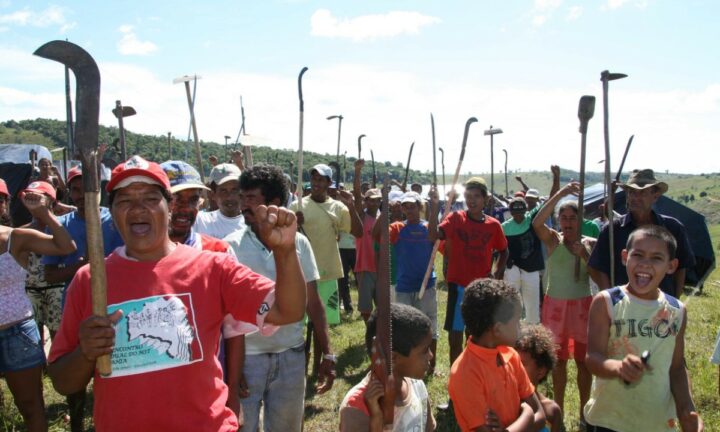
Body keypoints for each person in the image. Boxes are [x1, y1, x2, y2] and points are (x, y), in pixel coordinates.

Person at [47, 156, 307, 432]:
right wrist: (86, 352)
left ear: (168, 207)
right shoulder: (89, 280)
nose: (138, 209)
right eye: (125, 201)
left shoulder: (212, 267)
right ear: (112, 214)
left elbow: (287, 311)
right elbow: (63, 382)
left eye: (150, 199)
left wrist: (285, 251)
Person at [224, 164, 335, 431]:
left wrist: (328, 353)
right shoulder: (230, 246)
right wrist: (233, 368)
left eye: (250, 199)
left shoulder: (298, 243)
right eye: (242, 197)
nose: (243, 205)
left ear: (273, 203)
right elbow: (228, 316)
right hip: (248, 361)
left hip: (291, 357)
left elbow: (314, 302)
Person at [584, 226, 703, 432]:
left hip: (656, 422)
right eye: (638, 255)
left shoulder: (677, 310)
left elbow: (676, 368)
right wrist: (618, 368)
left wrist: (686, 409)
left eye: (657, 258)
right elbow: (592, 358)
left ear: (671, 266)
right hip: (608, 419)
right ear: (624, 257)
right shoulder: (607, 302)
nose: (645, 264)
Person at [41, 165, 124, 432]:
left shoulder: (114, 220)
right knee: (74, 372)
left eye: (84, 188)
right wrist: (80, 268)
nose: (79, 194)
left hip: (118, 312)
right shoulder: (62, 226)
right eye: (74, 189)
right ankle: (76, 422)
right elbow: (50, 273)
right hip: (75, 311)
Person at [0, 178, 76, 432]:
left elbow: (66, 246)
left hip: (17, 334)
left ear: (5, 204)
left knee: (31, 406)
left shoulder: (16, 238)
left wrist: (44, 213)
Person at [532, 182, 595, 426]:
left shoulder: (589, 243)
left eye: (572, 217)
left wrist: (584, 255)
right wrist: (561, 194)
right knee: (558, 363)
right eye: (564, 217)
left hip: (582, 308)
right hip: (555, 309)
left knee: (583, 362)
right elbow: (537, 222)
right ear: (559, 220)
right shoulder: (553, 241)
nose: (568, 222)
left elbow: (596, 273)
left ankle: (583, 414)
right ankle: (557, 413)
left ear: (580, 220)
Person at [448, 278, 544, 431]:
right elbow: (532, 412)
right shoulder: (465, 373)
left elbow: (540, 414)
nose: (520, 326)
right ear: (498, 329)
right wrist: (526, 415)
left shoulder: (511, 355)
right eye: (517, 320)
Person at [435, 177, 508, 372]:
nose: (472, 200)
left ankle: (475, 377)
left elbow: (504, 251)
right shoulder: (456, 218)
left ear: (485, 199)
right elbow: (437, 234)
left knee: (476, 335)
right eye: (468, 196)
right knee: (455, 337)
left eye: (476, 196)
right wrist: (434, 207)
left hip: (481, 290)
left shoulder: (493, 225)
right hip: (458, 286)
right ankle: (456, 388)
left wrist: (497, 274)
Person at [588, 169, 695, 298]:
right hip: (624, 308)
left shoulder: (673, 228)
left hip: (661, 307)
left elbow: (681, 268)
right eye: (632, 192)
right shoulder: (612, 230)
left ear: (655, 196)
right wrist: (612, 299)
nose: (635, 197)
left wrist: (675, 301)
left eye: (642, 192)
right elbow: (595, 267)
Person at [339, 303, 436, 432]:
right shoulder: (355, 409)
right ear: (393, 358)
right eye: (424, 350)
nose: (431, 355)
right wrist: (377, 421)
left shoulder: (417, 385)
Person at [289, 163, 362, 326]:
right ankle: (304, 352)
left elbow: (358, 232)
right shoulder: (296, 205)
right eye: (314, 178)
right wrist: (294, 223)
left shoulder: (338, 207)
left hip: (327, 271)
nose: (316, 183)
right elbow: (285, 235)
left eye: (321, 179)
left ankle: (321, 352)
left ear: (329, 183)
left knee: (324, 321)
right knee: (299, 321)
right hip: (302, 271)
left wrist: (351, 206)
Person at [387, 189, 440, 374]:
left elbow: (434, 236)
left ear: (420, 207)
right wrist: (386, 211)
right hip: (404, 286)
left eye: (413, 206)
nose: (409, 210)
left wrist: (435, 206)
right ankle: (406, 363)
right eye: (406, 207)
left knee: (429, 326)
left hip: (426, 285)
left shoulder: (427, 227)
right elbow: (377, 235)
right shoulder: (397, 228)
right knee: (404, 327)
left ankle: (431, 365)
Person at [502, 197, 545, 324]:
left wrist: (556, 180)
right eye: (515, 214)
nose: (518, 217)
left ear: (526, 210)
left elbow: (548, 203)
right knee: (511, 300)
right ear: (510, 213)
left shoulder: (532, 219)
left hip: (531, 269)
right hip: (512, 269)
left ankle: (533, 328)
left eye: (521, 213)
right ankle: (512, 326)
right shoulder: (504, 227)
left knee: (532, 303)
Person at [516, 324, 563, 432]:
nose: (515, 368)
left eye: (522, 364)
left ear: (541, 371)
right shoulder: (508, 403)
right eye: (513, 362)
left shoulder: (552, 411)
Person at [352, 160, 381, 322]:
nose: (374, 202)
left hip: (380, 268)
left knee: (382, 304)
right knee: (365, 307)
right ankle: (369, 332)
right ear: (366, 201)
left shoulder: (382, 218)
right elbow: (356, 195)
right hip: (364, 267)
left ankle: (377, 331)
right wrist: (357, 172)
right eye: (371, 199)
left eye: (377, 200)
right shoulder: (362, 216)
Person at [194, 162, 245, 239]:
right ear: (213, 194)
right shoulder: (200, 221)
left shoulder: (254, 224)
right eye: (223, 191)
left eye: (234, 190)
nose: (229, 197)